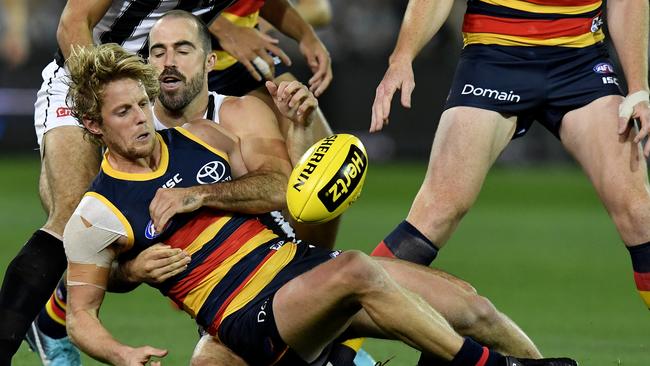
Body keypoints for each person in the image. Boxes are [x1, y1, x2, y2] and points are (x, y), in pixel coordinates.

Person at [62, 42, 577, 366]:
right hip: (248, 315)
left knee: (472, 306)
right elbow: (80, 315)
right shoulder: (96, 213)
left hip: (303, 270)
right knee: (356, 268)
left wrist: (205, 191)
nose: (140, 120)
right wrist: (124, 353)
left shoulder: (201, 137)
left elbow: (282, 189)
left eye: (141, 105)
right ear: (94, 126)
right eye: (123, 112)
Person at [0, 0, 327, 363]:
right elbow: (72, 24)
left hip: (150, 91)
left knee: (205, 202)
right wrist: (102, 99)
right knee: (72, 216)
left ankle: (307, 298)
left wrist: (304, 35)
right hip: (88, 76)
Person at [369, 0, 650, 333]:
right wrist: (402, 55)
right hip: (494, 57)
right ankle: (337, 336)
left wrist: (638, 89)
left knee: (640, 213)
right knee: (438, 210)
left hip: (581, 62)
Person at [208, 0, 340, 247]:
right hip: (193, 66)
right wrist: (227, 29)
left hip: (246, 57)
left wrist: (305, 34)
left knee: (324, 174)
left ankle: (316, 269)